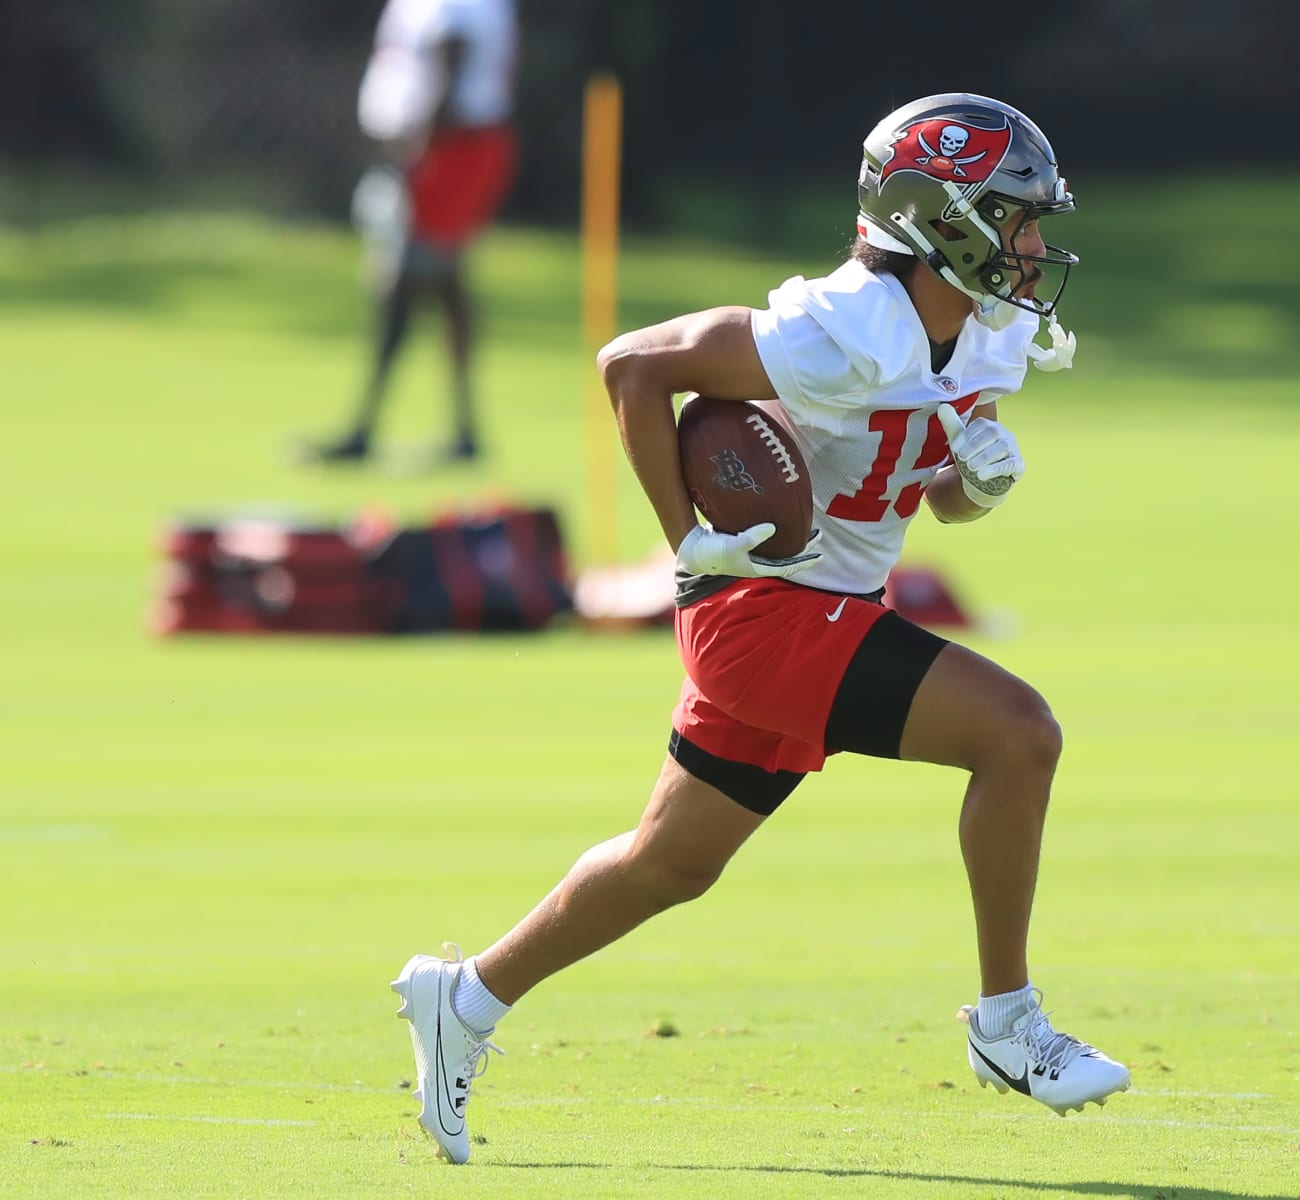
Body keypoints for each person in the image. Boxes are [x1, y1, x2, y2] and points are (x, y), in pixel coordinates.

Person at [388, 93, 1128, 1165]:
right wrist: (686, 541)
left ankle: (466, 997)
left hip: (827, 611)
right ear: (943, 218)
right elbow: (631, 368)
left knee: (668, 865)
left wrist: (978, 483)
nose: (1035, 247)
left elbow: (932, 496)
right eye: (1016, 220)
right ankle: (1008, 1024)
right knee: (1020, 733)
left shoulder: (985, 325)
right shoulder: (836, 330)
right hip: (762, 614)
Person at [303, 0, 518, 466]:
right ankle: (464, 432)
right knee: (444, 288)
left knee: (402, 284)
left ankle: (363, 428)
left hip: (449, 151)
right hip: (452, 147)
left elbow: (449, 69)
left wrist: (416, 154)